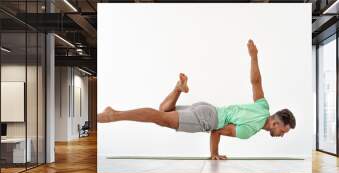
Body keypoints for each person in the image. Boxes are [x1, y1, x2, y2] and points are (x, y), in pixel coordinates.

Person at [97, 39, 296, 160]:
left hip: (208, 108)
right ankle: (114, 114)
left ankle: (178, 89)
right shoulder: (250, 130)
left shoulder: (263, 107)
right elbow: (217, 130)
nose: (282, 135)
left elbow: (256, 81)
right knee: (160, 118)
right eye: (283, 131)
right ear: (276, 122)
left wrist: (254, 56)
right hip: (208, 119)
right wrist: (214, 153)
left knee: (163, 111)